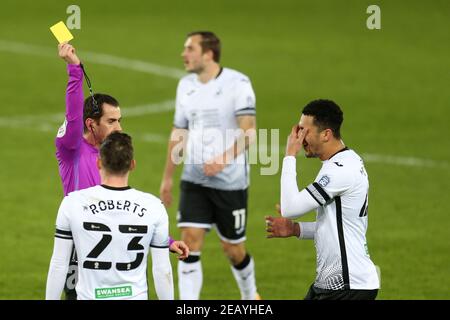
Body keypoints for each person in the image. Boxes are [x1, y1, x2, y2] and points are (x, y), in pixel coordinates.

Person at [55, 43, 188, 299]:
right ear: (91, 124)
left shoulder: (112, 154)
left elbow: (129, 207)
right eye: (111, 121)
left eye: (120, 120)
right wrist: (74, 70)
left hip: (115, 241)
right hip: (80, 246)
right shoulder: (71, 148)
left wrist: (168, 241)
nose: (119, 127)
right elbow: (72, 117)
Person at [160, 31, 260, 300]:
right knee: (189, 242)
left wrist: (224, 158)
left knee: (233, 250)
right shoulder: (185, 86)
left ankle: (251, 295)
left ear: (208, 54)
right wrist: (168, 177)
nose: (184, 54)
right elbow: (179, 133)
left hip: (231, 182)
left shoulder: (238, 83)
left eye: (190, 48)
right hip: (194, 179)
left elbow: (249, 131)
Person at [265, 99, 380, 300]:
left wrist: (289, 155)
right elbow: (336, 225)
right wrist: (296, 229)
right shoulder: (344, 161)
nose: (299, 138)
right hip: (336, 284)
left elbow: (290, 208)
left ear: (326, 134)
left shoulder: (340, 171)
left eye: (304, 132)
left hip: (347, 285)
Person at [46, 132, 174, 300]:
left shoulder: (73, 203)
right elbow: (162, 269)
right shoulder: (154, 207)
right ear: (132, 165)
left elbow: (59, 265)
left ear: (99, 163)